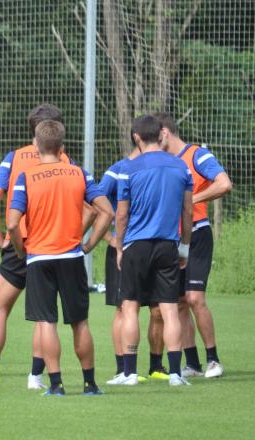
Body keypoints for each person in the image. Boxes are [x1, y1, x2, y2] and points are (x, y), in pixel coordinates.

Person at [0, 104, 94, 390]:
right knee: (45, 317)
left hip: (19, 244)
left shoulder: (13, 158)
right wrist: (75, 235)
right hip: (57, 246)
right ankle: (36, 377)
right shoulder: (67, 163)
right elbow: (90, 208)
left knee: (0, 310)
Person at [8, 120, 113, 396]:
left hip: (39, 258)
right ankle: (90, 384)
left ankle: (56, 385)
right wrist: (88, 244)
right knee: (80, 322)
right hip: (71, 257)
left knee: (46, 322)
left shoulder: (26, 177)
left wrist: (21, 250)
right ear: (62, 147)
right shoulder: (79, 173)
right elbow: (107, 212)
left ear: (36, 146)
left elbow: (11, 223)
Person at [112, 115, 193, 387]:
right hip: (168, 246)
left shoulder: (129, 168)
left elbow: (121, 215)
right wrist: (184, 247)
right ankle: (175, 374)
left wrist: (120, 246)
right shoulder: (181, 167)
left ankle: (130, 373)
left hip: (136, 245)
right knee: (170, 310)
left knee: (131, 308)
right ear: (161, 134)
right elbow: (188, 211)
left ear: (136, 137)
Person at [155, 112, 232, 378]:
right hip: (171, 240)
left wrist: (191, 200)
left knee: (195, 297)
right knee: (178, 303)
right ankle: (193, 364)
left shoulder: (197, 154)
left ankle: (213, 360)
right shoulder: (162, 162)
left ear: (164, 133)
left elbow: (224, 183)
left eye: (156, 136)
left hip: (197, 234)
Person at [99, 147, 169, 384]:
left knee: (158, 310)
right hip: (123, 250)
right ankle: (123, 369)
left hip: (153, 249)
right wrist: (111, 239)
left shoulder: (160, 169)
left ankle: (156, 366)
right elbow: (93, 204)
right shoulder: (116, 171)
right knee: (124, 308)